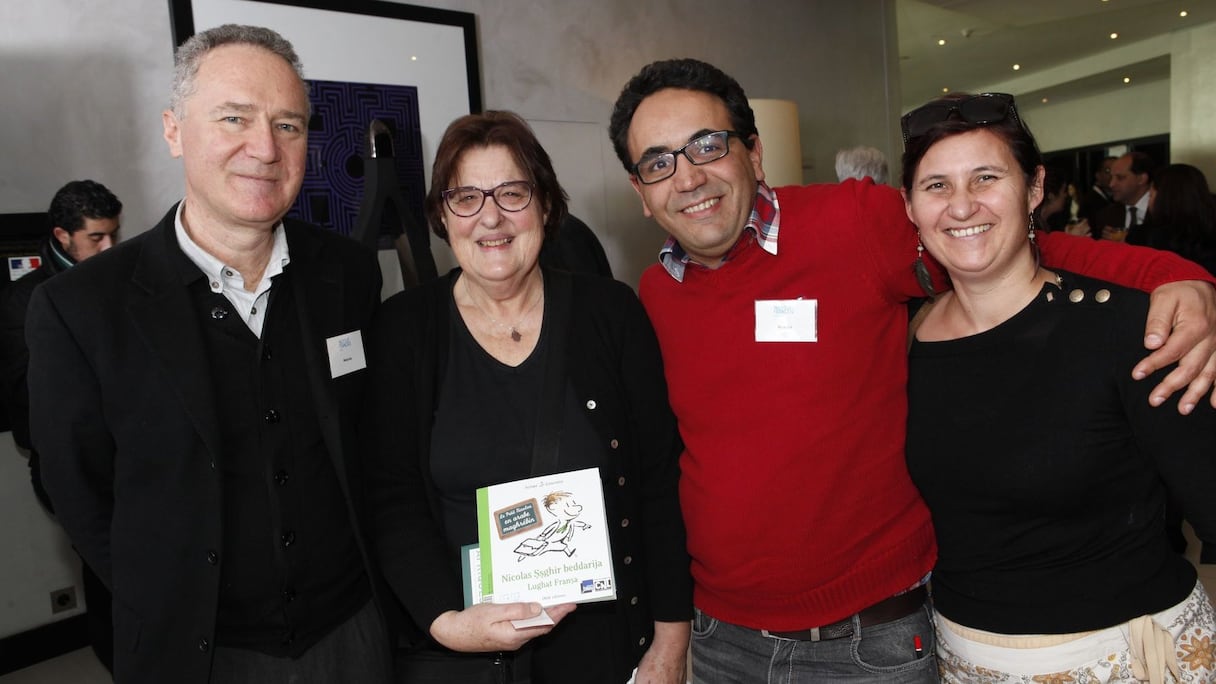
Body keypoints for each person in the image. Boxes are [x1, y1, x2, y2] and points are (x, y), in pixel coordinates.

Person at [606, 58, 1216, 682]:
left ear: (755, 154)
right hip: (720, 640)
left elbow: (995, 242)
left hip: (870, 641)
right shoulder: (651, 296)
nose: (687, 176)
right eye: (658, 162)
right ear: (641, 193)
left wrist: (1174, 276)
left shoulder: (852, 223)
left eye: (707, 146)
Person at [26, 25, 392, 684]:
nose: (264, 148)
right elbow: (81, 494)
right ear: (173, 131)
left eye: (288, 125)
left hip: (353, 635)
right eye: (234, 118)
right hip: (194, 653)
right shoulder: (81, 309)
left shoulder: (351, 274)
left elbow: (369, 438)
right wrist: (166, 599)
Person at [366, 110, 691, 684]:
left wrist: (669, 646)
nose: (490, 216)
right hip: (466, 657)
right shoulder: (403, 330)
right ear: (444, 215)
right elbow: (391, 499)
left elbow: (659, 484)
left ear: (544, 205)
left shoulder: (610, 314)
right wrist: (446, 622)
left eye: (512, 193)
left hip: (608, 651)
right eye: (466, 197)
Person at [901, 91, 1216, 682]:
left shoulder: (1127, 331)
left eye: (986, 177)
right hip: (963, 657)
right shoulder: (908, 338)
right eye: (936, 185)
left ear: (1034, 188)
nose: (961, 206)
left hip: (1129, 656)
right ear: (910, 207)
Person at [0, 179, 122, 673]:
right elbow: (31, 407)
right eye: (96, 238)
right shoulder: (22, 301)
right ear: (62, 235)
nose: (110, 247)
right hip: (68, 463)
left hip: (126, 452)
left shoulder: (118, 278)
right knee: (106, 574)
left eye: (115, 234)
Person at [1144, 163, 1216, 277]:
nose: (1149, 202)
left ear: (1163, 198)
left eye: (1151, 195)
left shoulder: (1158, 238)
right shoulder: (1209, 227)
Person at [1098, 151, 1156, 243]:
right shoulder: (1107, 215)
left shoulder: (1162, 212)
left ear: (1141, 179)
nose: (1111, 184)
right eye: (1111, 178)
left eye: (1120, 178)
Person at [1076, 155, 1116, 230]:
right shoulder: (1090, 201)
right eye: (1108, 171)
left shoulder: (1114, 198)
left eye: (1116, 172)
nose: (1112, 175)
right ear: (1098, 175)